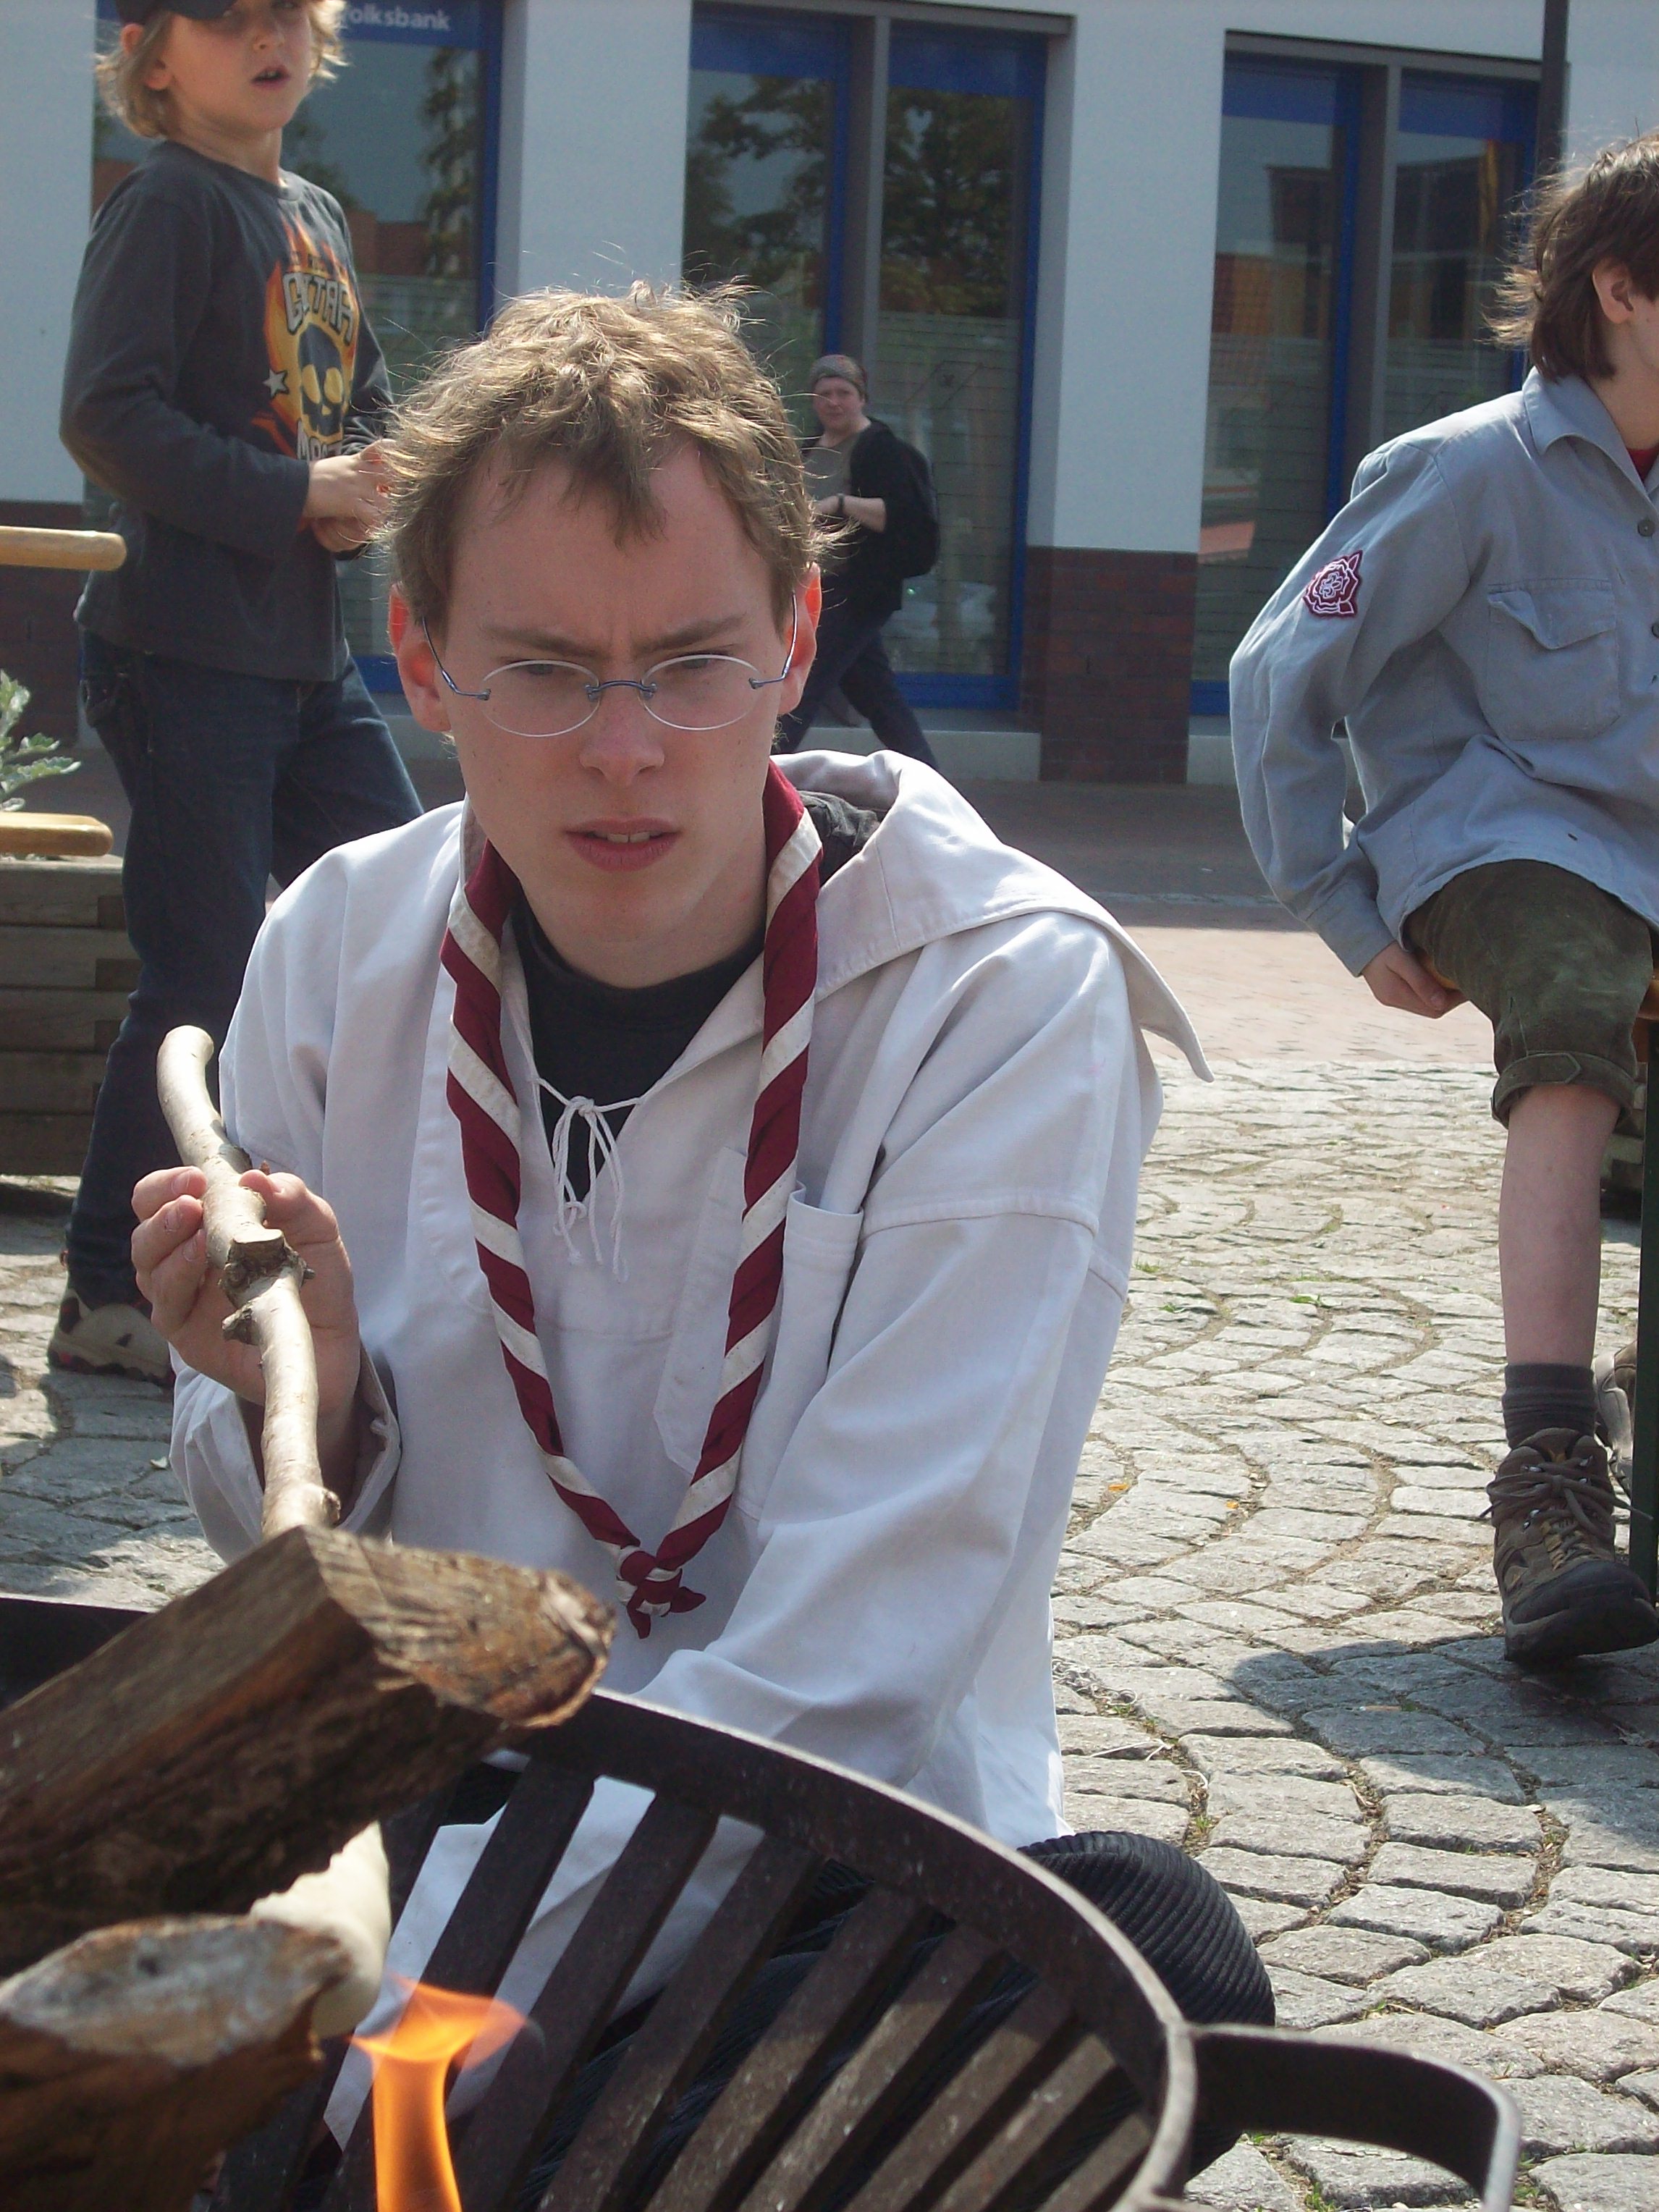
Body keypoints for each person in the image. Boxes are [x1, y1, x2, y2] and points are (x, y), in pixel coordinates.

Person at [131, 286, 1269, 2177]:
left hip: (814, 1847)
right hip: (417, 1797)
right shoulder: (334, 947)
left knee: (1151, 1954)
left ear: (798, 638)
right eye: (544, 671)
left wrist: (387, 2022)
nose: (627, 749)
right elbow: (287, 1566)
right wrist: (304, 1394)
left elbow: (864, 1647)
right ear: (421, 660)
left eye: (691, 665)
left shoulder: (994, 997)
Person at [1231, 135, 1659, 1667]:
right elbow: (1278, 675)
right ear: (1621, 290)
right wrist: (1343, 909)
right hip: (1497, 849)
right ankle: (1549, 1474)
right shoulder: (1466, 469)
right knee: (1576, 982)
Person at [49, 0, 421, 1385]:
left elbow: (360, 397)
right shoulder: (166, 203)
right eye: (230, 19)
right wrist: (290, 493)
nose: (269, 40)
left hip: (307, 659)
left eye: (288, 18)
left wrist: (368, 482)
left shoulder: (314, 213)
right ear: (156, 57)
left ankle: (378, 1239)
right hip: (183, 653)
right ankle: (105, 1291)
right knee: (201, 966)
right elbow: (104, 413)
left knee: (407, 913)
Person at [777, 354, 940, 765]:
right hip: (813, 584)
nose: (834, 402)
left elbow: (905, 516)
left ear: (861, 398)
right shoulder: (809, 449)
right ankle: (930, 777)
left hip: (856, 590)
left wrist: (842, 503)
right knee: (878, 696)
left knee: (803, 680)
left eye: (843, 393)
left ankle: (761, 773)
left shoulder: (882, 450)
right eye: (824, 394)